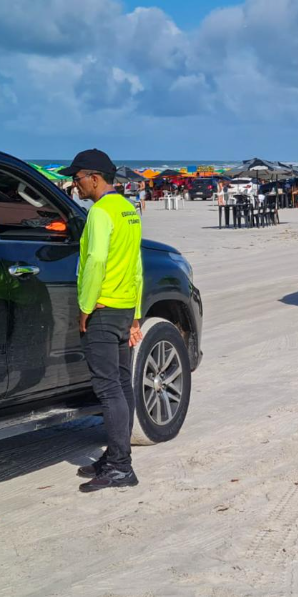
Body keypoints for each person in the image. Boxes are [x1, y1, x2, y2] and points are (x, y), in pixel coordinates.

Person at [60, 149, 144, 492]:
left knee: (109, 389)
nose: (74, 185)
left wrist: (85, 305)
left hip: (103, 308)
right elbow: (136, 265)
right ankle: (115, 457)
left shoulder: (99, 213)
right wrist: (137, 314)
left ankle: (121, 467)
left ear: (94, 178)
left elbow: (94, 261)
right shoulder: (128, 209)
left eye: (77, 178)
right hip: (124, 308)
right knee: (122, 384)